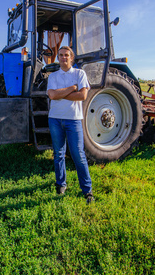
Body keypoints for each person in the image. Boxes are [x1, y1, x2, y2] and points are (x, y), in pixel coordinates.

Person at [46, 46, 94, 204]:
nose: (63, 58)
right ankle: (61, 184)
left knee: (78, 154)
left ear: (71, 58)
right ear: (57, 58)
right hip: (55, 119)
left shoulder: (80, 73)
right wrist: (72, 88)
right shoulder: (53, 76)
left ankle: (87, 190)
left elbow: (82, 95)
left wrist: (61, 93)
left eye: (66, 55)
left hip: (73, 119)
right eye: (60, 55)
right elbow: (52, 95)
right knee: (58, 154)